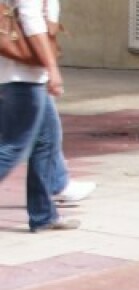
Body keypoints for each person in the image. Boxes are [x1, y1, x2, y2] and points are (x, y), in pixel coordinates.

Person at [0, 0, 81, 231]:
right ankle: (43, 215)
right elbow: (31, 20)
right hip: (22, 77)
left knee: (47, 141)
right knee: (13, 146)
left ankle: (43, 215)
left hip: (20, 75)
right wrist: (52, 68)